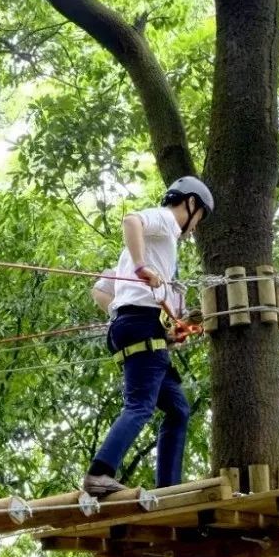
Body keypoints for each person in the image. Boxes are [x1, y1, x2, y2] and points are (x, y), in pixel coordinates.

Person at [82, 176, 214, 498]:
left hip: (137, 325)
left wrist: (146, 321)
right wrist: (141, 269)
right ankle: (100, 473)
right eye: (199, 219)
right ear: (191, 203)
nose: (195, 228)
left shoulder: (156, 251)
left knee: (178, 408)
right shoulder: (166, 220)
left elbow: (100, 291)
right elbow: (131, 219)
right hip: (139, 324)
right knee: (140, 405)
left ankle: (168, 488)